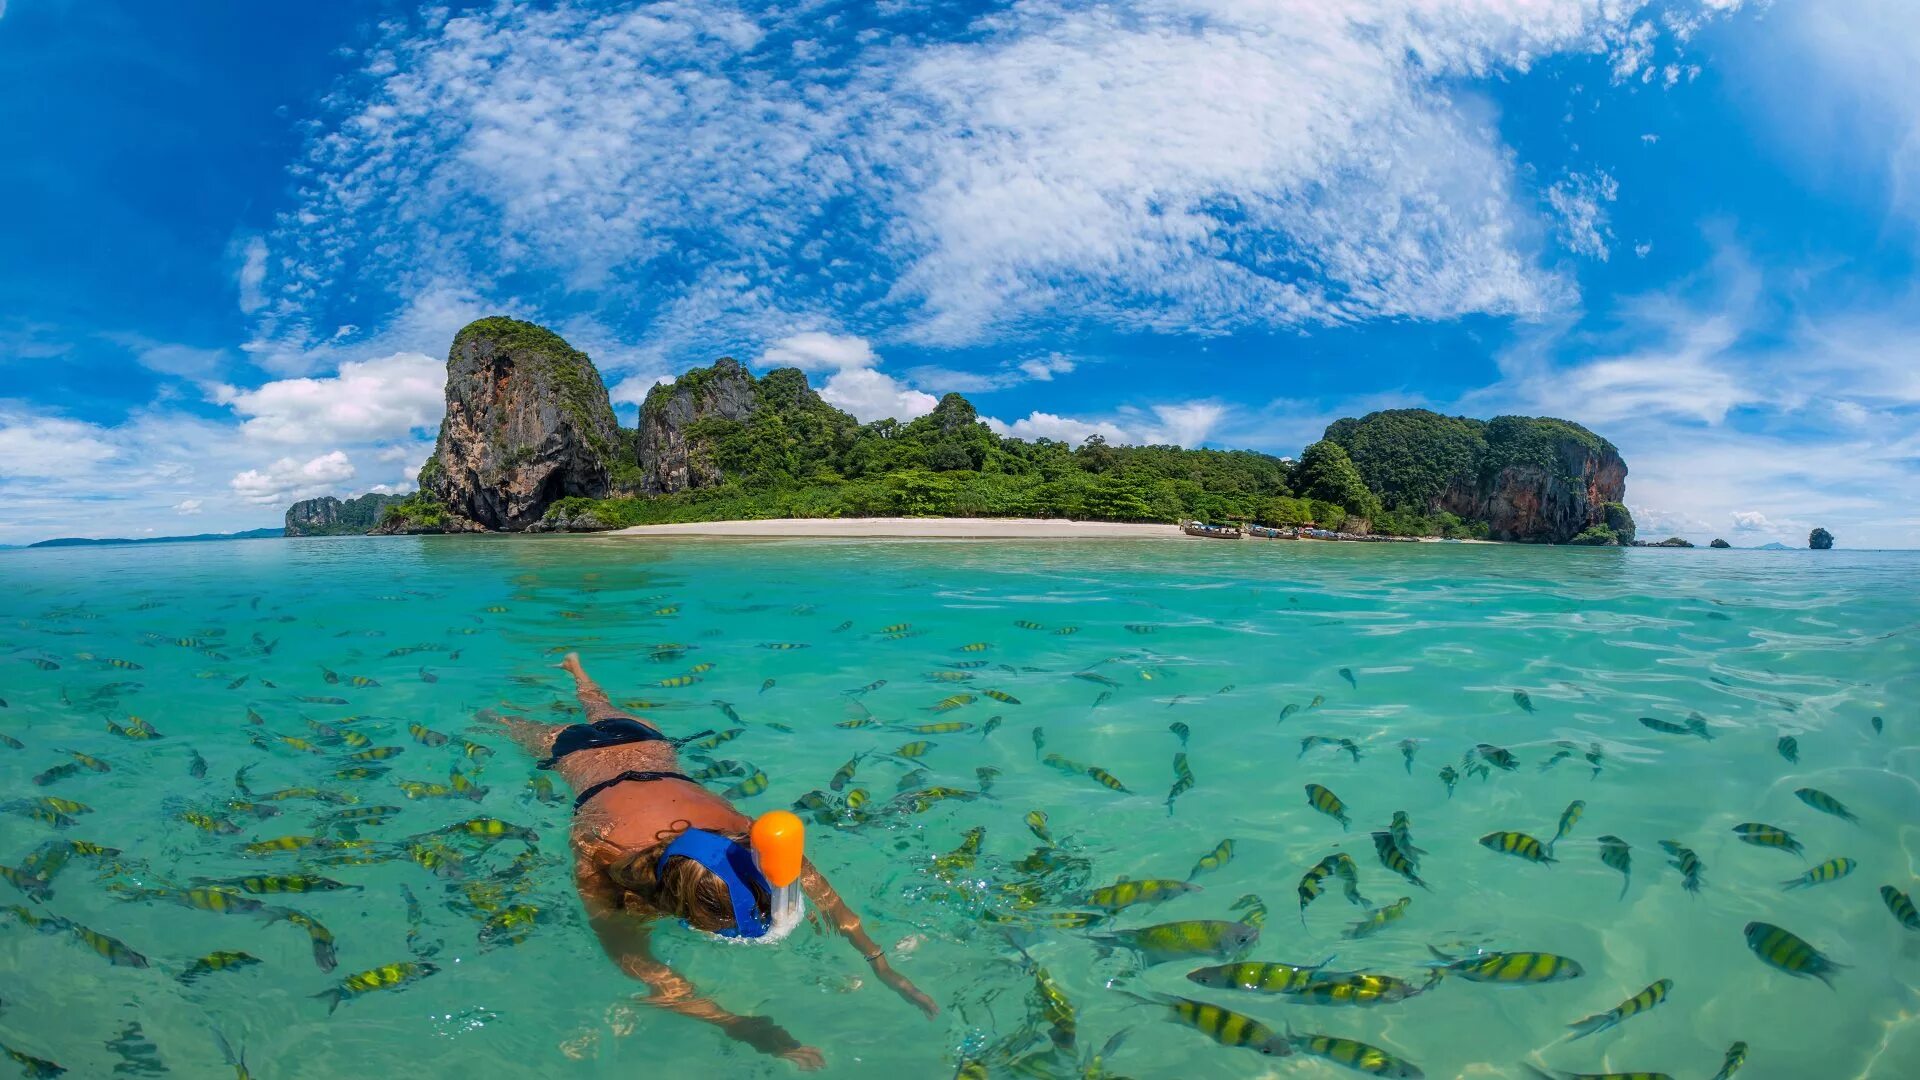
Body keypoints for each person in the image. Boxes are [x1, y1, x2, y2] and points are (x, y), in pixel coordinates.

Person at [495, 653, 937, 1070]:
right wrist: (737, 1024)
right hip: (595, 750)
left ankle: (572, 670)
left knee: (574, 710)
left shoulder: (748, 838)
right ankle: (572, 672)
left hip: (637, 745)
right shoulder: (599, 852)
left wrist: (882, 964)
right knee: (512, 721)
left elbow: (827, 899)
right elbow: (633, 958)